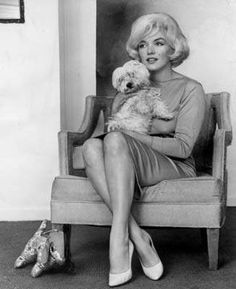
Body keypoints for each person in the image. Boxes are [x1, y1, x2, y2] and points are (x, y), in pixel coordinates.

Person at [82, 12, 206, 287]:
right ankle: (137, 236)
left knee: (113, 140)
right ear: (136, 50)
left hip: (174, 163)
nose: (149, 50)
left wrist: (139, 133)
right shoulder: (129, 86)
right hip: (130, 159)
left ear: (173, 48)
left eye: (159, 43)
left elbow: (184, 147)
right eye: (142, 44)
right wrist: (123, 117)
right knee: (91, 147)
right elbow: (119, 129)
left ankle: (118, 241)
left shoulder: (190, 89)